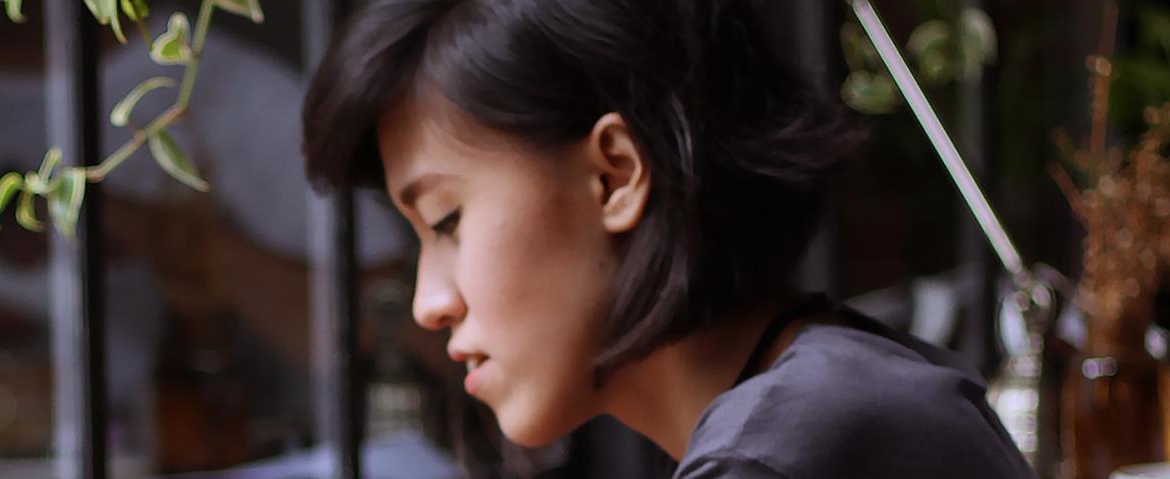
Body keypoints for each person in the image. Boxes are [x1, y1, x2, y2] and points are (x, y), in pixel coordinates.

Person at [301, 0, 1034, 477]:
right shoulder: (827, 398)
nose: (430, 302)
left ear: (616, 174)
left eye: (446, 221)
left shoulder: (786, 449)